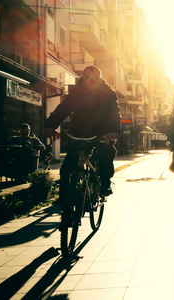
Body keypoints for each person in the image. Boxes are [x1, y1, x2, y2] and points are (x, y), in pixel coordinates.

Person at [44, 66, 120, 217]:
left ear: (100, 79)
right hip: (80, 134)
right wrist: (50, 126)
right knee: (66, 169)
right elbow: (63, 108)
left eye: (95, 78)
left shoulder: (108, 93)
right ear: (82, 79)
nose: (91, 81)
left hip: (101, 134)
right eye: (87, 77)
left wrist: (114, 132)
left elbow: (114, 113)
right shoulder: (77, 93)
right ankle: (64, 202)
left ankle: (105, 184)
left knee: (106, 156)